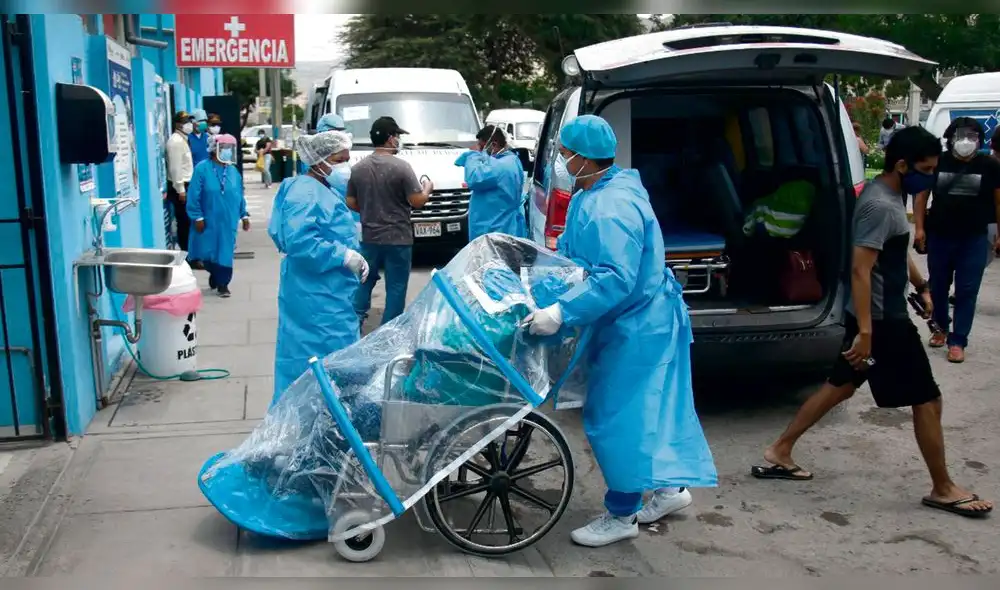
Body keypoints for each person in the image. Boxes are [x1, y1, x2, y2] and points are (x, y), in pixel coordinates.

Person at [752, 126, 993, 519]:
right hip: (882, 323)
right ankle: (943, 487)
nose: (931, 176)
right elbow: (861, 270)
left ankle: (780, 451)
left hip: (878, 317)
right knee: (927, 399)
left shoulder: (892, 198)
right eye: (927, 169)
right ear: (902, 165)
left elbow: (893, 252)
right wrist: (866, 333)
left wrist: (922, 286)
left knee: (839, 387)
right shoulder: (879, 205)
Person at [522, 115, 717, 548]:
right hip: (637, 318)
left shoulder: (611, 206)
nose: (560, 160)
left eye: (565, 153)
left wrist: (560, 311)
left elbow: (613, 278)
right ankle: (668, 490)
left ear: (582, 157)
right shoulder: (599, 189)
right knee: (649, 410)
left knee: (614, 417)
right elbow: (578, 257)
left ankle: (622, 513)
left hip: (637, 324)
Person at [268, 130, 369, 401]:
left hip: (328, 291)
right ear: (320, 159)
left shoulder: (323, 187)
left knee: (332, 362)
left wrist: (350, 253)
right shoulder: (304, 192)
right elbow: (300, 243)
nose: (346, 165)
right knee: (315, 363)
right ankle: (310, 423)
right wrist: (343, 256)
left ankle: (329, 417)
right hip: (315, 297)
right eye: (340, 159)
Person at [913, 117, 1000, 363]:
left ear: (980, 141)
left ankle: (958, 340)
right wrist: (919, 228)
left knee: (967, 289)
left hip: (974, 238)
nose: (966, 141)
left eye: (972, 137)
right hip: (940, 235)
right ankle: (940, 327)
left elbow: (998, 201)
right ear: (950, 138)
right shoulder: (938, 162)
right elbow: (921, 196)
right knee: (938, 286)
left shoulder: (990, 166)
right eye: (960, 135)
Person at [348, 116, 433, 327]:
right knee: (396, 287)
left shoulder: (358, 168)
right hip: (398, 239)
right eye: (396, 136)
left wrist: (369, 209)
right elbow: (417, 201)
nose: (398, 140)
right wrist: (427, 189)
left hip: (370, 237)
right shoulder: (402, 167)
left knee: (364, 280)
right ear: (389, 139)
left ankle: (354, 321)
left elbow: (350, 201)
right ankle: (389, 331)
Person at [186, 134, 250, 298]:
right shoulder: (202, 168)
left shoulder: (233, 171)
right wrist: (197, 217)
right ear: (215, 149)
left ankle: (223, 284)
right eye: (225, 148)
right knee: (208, 252)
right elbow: (194, 194)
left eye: (231, 149)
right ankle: (214, 273)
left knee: (225, 252)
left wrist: (244, 215)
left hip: (228, 220)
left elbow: (239, 194)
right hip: (208, 220)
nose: (229, 152)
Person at [455, 125, 527, 241]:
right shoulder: (512, 159)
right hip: (506, 225)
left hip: (494, 230)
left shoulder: (498, 166)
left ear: (493, 144)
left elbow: (473, 178)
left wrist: (473, 155)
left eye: (482, 147)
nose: (480, 150)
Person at [166, 111, 195, 259]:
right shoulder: (175, 142)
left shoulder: (183, 139)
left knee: (188, 221)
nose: (188, 125)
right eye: (185, 122)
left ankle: (190, 253)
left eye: (189, 121)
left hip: (186, 184)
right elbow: (175, 168)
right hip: (181, 187)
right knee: (184, 222)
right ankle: (188, 256)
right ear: (177, 124)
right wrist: (181, 190)